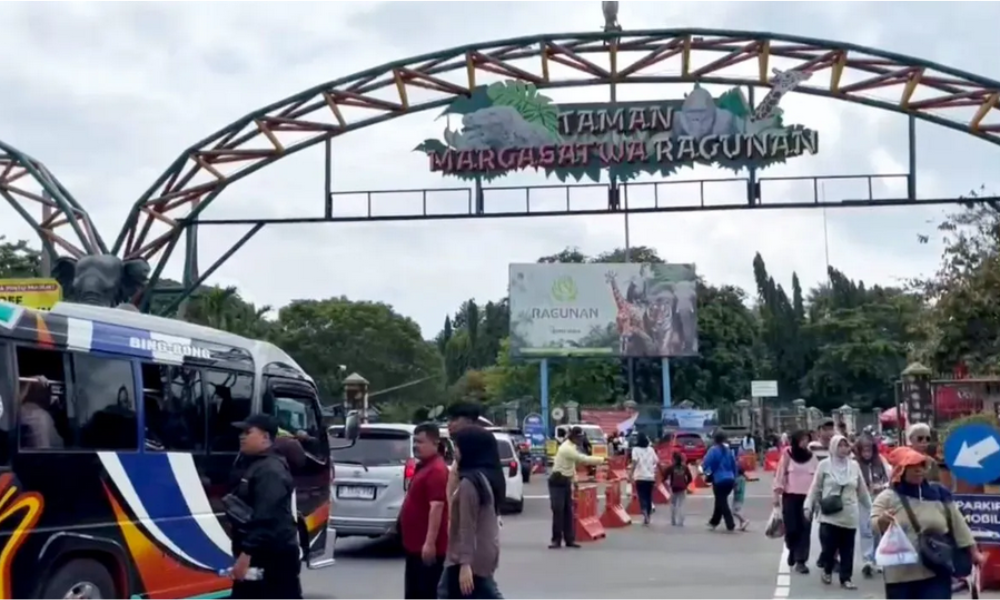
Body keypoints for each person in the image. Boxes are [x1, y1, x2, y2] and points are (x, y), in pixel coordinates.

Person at [872, 446, 984, 599]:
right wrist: (882, 521)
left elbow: (959, 525)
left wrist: (974, 553)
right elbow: (874, 523)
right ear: (900, 470)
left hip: (936, 569)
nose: (919, 470)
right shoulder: (888, 497)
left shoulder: (938, 494)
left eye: (921, 465)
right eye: (912, 466)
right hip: (900, 576)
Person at [226, 414, 302, 599]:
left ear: (265, 437)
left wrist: (246, 554)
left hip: (272, 557)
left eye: (248, 432)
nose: (242, 437)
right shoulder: (255, 464)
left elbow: (266, 518)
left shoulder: (270, 471)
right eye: (241, 433)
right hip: (265, 554)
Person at [443, 427, 503, 599]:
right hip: (483, 552)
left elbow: (467, 526)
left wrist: (465, 564)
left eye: (458, 447)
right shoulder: (483, 478)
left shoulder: (469, 484)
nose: (455, 452)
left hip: (470, 558)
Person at [805, 434, 871, 589]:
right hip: (830, 515)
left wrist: (872, 509)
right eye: (840, 445)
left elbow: (862, 490)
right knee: (829, 548)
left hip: (850, 514)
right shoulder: (824, 465)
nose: (843, 449)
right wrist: (808, 506)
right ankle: (827, 570)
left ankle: (846, 578)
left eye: (845, 445)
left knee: (848, 548)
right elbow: (815, 487)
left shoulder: (854, 466)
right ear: (833, 447)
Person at [400, 423, 449, 599]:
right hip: (414, 546)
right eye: (414, 441)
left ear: (435, 443)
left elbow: (437, 507)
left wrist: (429, 543)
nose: (416, 446)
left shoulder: (437, 470)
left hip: (425, 548)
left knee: (425, 592)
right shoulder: (424, 466)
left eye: (420, 442)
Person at [548, 426, 605, 548]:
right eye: (579, 438)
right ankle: (556, 540)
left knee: (568, 511)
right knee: (558, 511)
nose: (581, 440)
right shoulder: (566, 448)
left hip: (566, 480)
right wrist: (601, 460)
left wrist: (574, 480)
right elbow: (582, 459)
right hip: (557, 481)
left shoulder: (572, 446)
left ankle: (569, 539)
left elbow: (571, 465)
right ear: (573, 437)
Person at [774, 430, 817, 574]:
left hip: (807, 498)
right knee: (792, 528)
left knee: (805, 529)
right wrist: (776, 495)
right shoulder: (788, 454)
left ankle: (801, 560)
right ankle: (792, 549)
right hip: (790, 497)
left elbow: (817, 478)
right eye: (802, 439)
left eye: (807, 440)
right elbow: (780, 474)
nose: (805, 443)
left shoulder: (812, 457)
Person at [855, 434, 891, 578]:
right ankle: (867, 560)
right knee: (866, 529)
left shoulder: (881, 461)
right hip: (863, 499)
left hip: (879, 498)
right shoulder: (856, 464)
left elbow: (889, 477)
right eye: (864, 450)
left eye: (869, 450)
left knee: (878, 529)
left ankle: (877, 559)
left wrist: (881, 486)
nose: (867, 454)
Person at [702, 430, 738, 532]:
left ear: (715, 439)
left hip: (719, 480)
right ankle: (714, 521)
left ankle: (730, 523)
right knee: (720, 500)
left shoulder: (713, 451)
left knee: (722, 502)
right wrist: (734, 477)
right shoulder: (729, 451)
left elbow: (706, 465)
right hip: (730, 479)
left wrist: (708, 475)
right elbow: (734, 465)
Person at [19, 376, 64, 449]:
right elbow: (41, 450)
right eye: (48, 390)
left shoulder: (23, 412)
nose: (51, 395)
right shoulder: (36, 416)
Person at [627, 433, 658, 525]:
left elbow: (634, 462)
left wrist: (630, 474)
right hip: (650, 477)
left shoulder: (635, 450)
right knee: (649, 496)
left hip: (640, 477)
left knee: (642, 496)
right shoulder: (651, 450)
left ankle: (644, 511)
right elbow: (656, 461)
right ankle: (648, 515)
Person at [664, 452, 692, 526]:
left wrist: (666, 481)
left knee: (673, 503)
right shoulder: (685, 467)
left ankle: (673, 520)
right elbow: (690, 478)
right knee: (681, 504)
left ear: (673, 459)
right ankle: (681, 520)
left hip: (673, 487)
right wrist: (686, 484)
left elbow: (664, 475)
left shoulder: (671, 467)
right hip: (682, 488)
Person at [732, 466, 749, 531]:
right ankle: (741, 525)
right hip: (741, 497)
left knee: (734, 511)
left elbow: (737, 489)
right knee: (738, 510)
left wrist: (733, 486)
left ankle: (745, 520)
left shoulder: (738, 479)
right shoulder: (743, 478)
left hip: (737, 496)